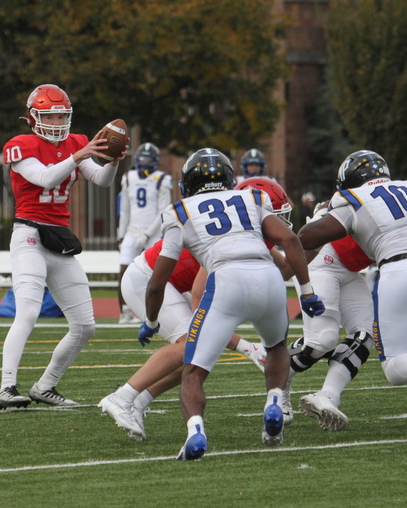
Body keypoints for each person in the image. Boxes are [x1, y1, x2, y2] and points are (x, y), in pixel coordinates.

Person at [140, 148, 325, 460]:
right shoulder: (252, 199)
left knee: (193, 373)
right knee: (276, 346)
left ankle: (195, 431)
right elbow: (290, 241)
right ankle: (275, 400)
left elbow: (158, 282)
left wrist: (151, 321)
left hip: (225, 280)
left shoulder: (178, 211)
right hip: (267, 277)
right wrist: (307, 292)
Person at [298, 151, 407, 443]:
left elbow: (308, 238)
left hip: (398, 271)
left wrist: (321, 218)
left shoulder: (351, 197)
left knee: (395, 367)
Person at [0, 84, 126, 410]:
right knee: (26, 311)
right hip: (29, 238)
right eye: (49, 114)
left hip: (59, 240)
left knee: (85, 325)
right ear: (32, 117)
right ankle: (7, 387)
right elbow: (46, 178)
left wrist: (112, 160)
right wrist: (77, 155)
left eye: (61, 114)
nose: (55, 120)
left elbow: (101, 180)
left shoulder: (75, 142)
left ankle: (46, 385)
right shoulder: (21, 145)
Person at [99, 239, 268, 441]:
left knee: (201, 355)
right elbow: (201, 309)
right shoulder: (223, 242)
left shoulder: (243, 238)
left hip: (165, 283)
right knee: (191, 342)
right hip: (146, 279)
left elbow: (286, 258)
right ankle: (121, 397)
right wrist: (152, 320)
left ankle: (138, 401)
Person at [288, 201, 376, 431]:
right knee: (322, 341)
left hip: (351, 270)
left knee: (366, 335)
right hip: (324, 260)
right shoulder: (354, 199)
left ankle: (327, 397)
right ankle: (277, 388)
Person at [116, 142, 173, 324]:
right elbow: (124, 210)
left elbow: (162, 211)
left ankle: (150, 312)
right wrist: (121, 234)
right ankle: (124, 311)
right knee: (124, 270)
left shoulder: (162, 179)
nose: (146, 163)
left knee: (155, 274)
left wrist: (147, 235)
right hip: (132, 230)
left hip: (153, 233)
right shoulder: (128, 177)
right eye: (143, 159)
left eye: (149, 159)